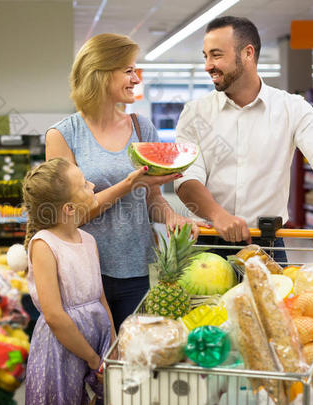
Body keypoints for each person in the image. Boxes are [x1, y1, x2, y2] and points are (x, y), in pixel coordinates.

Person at [45, 33, 199, 331]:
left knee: (132, 358)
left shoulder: (142, 127)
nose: (135, 79)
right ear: (101, 73)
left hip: (136, 271)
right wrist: (127, 185)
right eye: (128, 70)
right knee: (92, 364)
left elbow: (153, 198)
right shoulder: (63, 135)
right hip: (84, 274)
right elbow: (70, 215)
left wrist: (171, 217)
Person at [175, 16, 313, 261]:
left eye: (216, 55)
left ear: (248, 53)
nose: (207, 65)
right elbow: (186, 179)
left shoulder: (292, 108)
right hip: (207, 243)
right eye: (205, 56)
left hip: (267, 245)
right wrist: (218, 215)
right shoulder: (195, 113)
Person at [23, 158, 113, 404]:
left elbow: (100, 297)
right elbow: (54, 315)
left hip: (98, 344)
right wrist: (92, 359)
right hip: (60, 351)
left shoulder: (88, 240)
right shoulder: (44, 245)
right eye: (84, 185)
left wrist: (111, 347)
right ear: (69, 209)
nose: (92, 185)